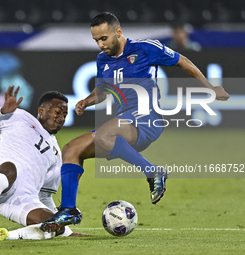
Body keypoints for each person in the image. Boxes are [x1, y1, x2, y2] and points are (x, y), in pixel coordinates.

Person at [40, 12, 230, 232]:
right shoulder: (103, 60)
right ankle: (69, 210)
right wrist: (87, 101)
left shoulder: (145, 48)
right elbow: (103, 91)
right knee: (71, 149)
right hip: (122, 125)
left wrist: (211, 88)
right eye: (96, 40)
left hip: (148, 119)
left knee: (104, 134)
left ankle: (153, 171)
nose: (100, 45)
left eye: (104, 38)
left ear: (118, 32)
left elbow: (183, 61)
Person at [0, 85, 83, 240]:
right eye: (58, 112)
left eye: (65, 114)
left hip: (22, 202)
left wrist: (66, 230)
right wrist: (1, 111)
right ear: (42, 110)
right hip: (1, 180)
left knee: (55, 225)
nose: (61, 118)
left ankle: (4, 235)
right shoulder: (18, 117)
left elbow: (45, 196)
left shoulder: (57, 153)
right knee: (10, 169)